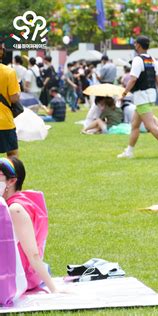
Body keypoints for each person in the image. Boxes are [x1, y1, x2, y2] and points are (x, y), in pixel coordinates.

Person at [0, 158, 59, 294]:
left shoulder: (15, 209)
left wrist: (54, 288)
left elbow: (33, 254)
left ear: (12, 181)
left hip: (18, 278)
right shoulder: (14, 202)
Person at [117, 35, 158, 159]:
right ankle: (129, 151)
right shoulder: (151, 59)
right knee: (135, 125)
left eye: (135, 43)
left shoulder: (137, 60)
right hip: (150, 95)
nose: (134, 45)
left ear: (139, 45)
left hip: (141, 96)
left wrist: (123, 94)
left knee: (150, 126)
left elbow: (133, 79)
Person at [0, 41, 21, 159]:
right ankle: (12, 177)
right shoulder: (9, 72)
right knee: (12, 154)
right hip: (4, 122)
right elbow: (14, 98)